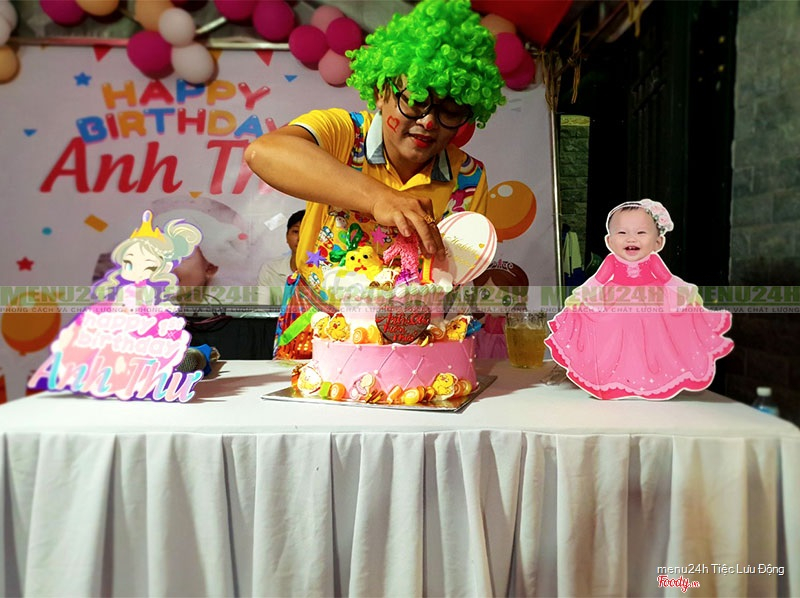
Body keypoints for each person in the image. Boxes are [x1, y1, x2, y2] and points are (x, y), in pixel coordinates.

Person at [245, 0, 506, 359]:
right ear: (382, 93)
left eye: (449, 111)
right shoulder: (343, 133)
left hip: (413, 344)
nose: (429, 122)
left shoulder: (469, 179)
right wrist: (379, 198)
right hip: (316, 330)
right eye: (415, 101)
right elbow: (263, 152)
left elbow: (456, 283)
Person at [544, 199, 734, 400]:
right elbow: (597, 281)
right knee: (611, 329)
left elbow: (668, 280)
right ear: (609, 241)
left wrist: (686, 292)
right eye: (622, 232)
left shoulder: (653, 260)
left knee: (655, 334)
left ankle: (651, 375)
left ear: (658, 242)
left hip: (652, 299)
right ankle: (614, 376)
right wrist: (580, 296)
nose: (631, 239)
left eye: (641, 232)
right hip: (615, 299)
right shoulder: (611, 260)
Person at [256, 209, 305, 307]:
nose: (300, 238)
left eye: (307, 232)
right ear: (286, 236)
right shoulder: (270, 269)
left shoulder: (328, 271)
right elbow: (262, 311)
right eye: (296, 231)